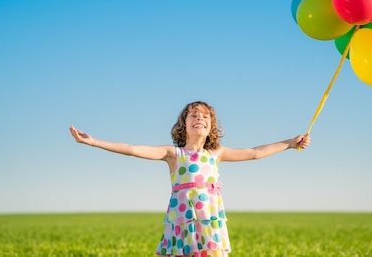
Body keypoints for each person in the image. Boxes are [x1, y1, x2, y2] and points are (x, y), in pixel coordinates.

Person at [69, 100, 311, 257]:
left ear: (211, 128)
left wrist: (290, 143)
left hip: (209, 224)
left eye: (206, 117)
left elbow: (255, 152)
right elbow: (132, 148)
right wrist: (94, 141)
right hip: (182, 225)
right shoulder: (173, 154)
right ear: (183, 125)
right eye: (193, 115)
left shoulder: (216, 154)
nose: (200, 119)